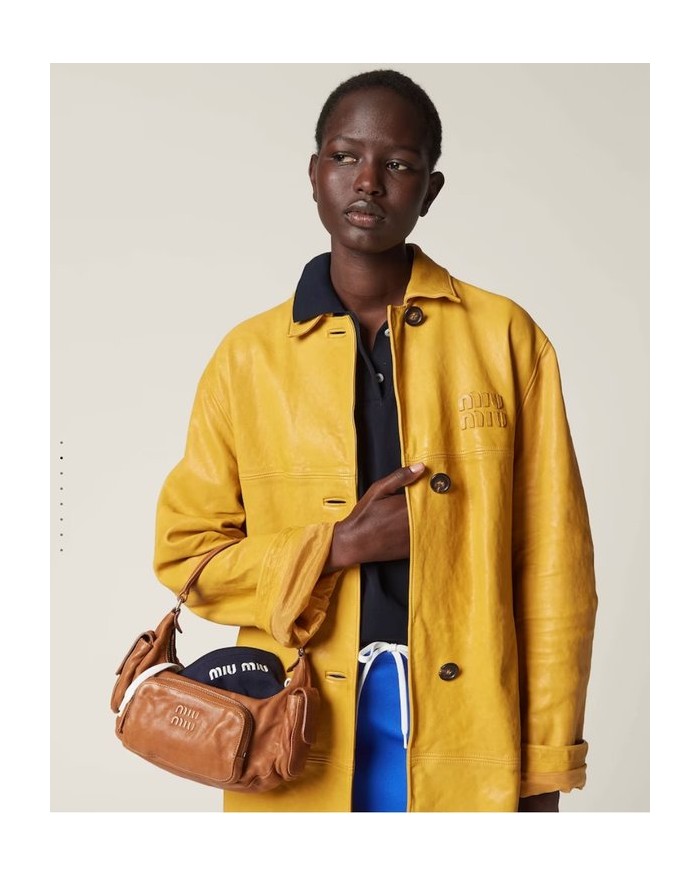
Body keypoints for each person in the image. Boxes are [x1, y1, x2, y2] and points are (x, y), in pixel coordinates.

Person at [153, 69, 598, 813]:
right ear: (314, 173)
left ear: (431, 189)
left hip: (467, 731)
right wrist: (336, 545)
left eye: (398, 163)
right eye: (344, 156)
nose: (368, 181)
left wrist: (546, 766)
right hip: (292, 725)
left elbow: (557, 573)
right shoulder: (248, 358)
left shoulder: (506, 340)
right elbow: (187, 559)